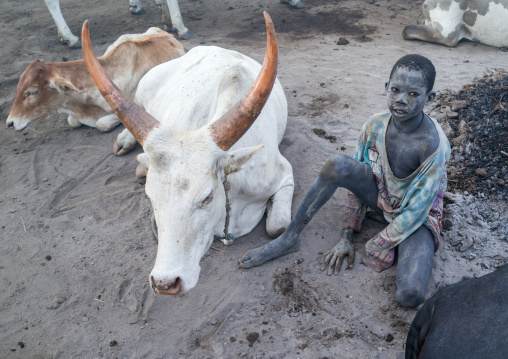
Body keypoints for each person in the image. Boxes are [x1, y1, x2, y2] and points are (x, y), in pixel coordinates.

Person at [238, 54, 451, 307]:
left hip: (417, 216)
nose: (401, 99)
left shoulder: (434, 145)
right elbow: (356, 179)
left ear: (430, 98)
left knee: (410, 294)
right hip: (382, 196)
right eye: (395, 90)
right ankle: (288, 238)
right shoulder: (374, 126)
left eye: (414, 94)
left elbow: (417, 210)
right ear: (386, 88)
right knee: (338, 165)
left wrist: (375, 244)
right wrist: (347, 235)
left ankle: (400, 248)